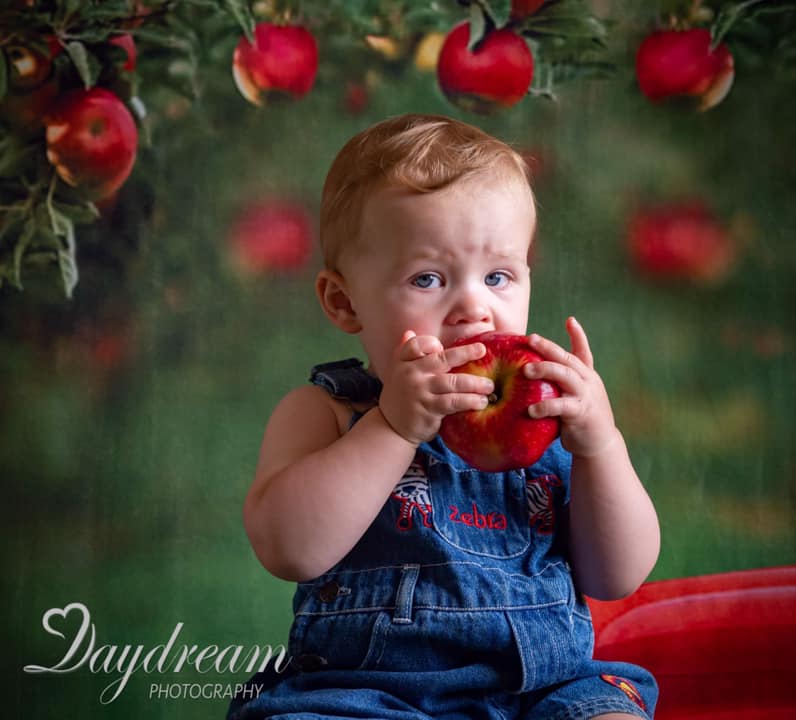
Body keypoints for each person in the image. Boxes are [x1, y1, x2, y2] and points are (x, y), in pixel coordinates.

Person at [229, 113, 661, 720]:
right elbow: (289, 549)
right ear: (344, 300)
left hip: (540, 692)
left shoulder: (547, 417)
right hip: (365, 697)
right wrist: (393, 428)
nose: (474, 308)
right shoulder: (330, 412)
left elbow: (618, 575)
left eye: (498, 276)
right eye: (428, 278)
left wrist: (600, 445)